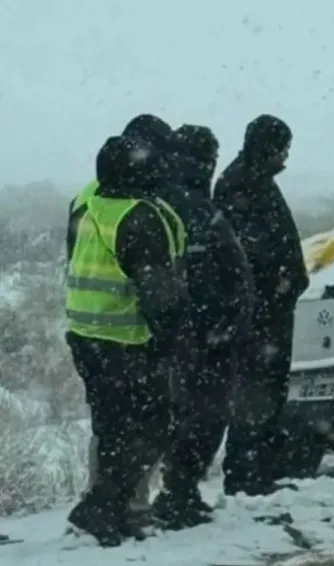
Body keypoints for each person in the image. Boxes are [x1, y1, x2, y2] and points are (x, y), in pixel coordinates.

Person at [64, 136, 191, 546]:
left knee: (113, 427)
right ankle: (101, 506)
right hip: (127, 339)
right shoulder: (141, 217)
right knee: (156, 424)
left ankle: (107, 509)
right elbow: (159, 293)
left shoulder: (86, 200)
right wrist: (174, 341)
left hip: (86, 335)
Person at [151, 124, 255, 529]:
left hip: (166, 337)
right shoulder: (199, 208)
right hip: (207, 337)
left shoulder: (155, 202)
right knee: (205, 417)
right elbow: (235, 272)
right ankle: (179, 493)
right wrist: (230, 326)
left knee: (173, 415)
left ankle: (172, 492)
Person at [213, 114, 309, 496]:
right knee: (255, 394)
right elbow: (245, 252)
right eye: (282, 147)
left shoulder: (256, 181)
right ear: (267, 146)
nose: (286, 156)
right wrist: (277, 280)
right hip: (259, 315)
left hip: (270, 312)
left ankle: (260, 471)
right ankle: (246, 474)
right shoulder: (241, 184)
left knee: (268, 393)